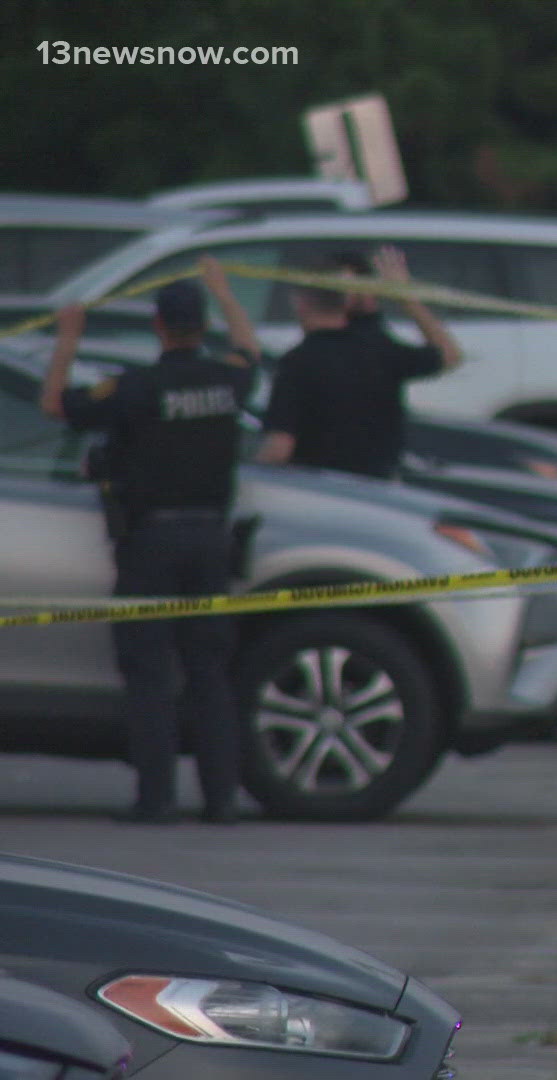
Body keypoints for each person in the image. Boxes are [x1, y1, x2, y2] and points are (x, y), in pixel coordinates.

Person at [38, 257, 261, 824]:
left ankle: (156, 800)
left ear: (158, 326)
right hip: (212, 539)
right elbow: (250, 350)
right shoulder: (228, 380)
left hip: (151, 544)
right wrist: (226, 293)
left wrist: (68, 340)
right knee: (210, 674)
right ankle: (221, 801)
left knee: (150, 674)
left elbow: (54, 406)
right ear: (201, 326)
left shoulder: (134, 389)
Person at [257, 245, 462, 478]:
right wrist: (406, 297)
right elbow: (448, 355)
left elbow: (278, 446)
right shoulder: (379, 350)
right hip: (378, 488)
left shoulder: (298, 362)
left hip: (319, 490)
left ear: (299, 303)